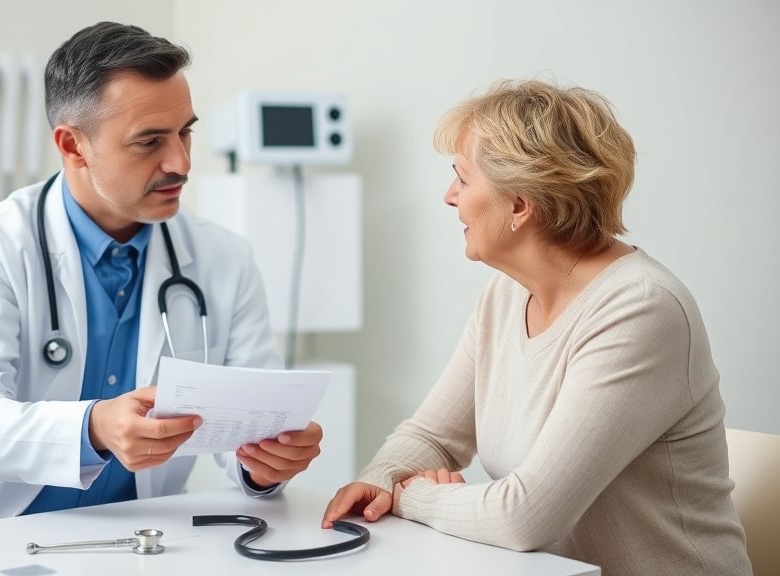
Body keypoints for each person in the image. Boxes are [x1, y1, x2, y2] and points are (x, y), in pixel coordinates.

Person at [322, 79, 751, 575]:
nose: (449, 196)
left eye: (462, 178)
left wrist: (413, 498)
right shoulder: (506, 295)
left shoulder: (640, 310)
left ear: (520, 206)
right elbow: (433, 436)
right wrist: (381, 479)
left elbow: (524, 518)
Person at [0, 21, 323, 530]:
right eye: (149, 142)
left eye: (185, 132)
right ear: (73, 146)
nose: (181, 162)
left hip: (137, 541)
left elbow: (248, 431)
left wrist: (264, 463)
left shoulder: (224, 258)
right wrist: (92, 426)